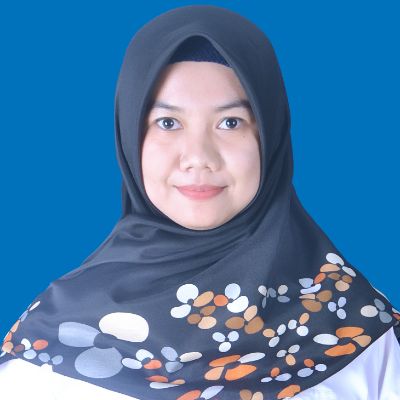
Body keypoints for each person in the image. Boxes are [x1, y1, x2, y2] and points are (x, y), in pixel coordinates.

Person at [1, 4, 399, 399]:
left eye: (230, 122)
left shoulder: (360, 332)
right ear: (130, 137)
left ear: (271, 135)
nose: (198, 156)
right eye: (168, 123)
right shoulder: (48, 345)